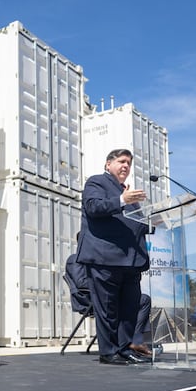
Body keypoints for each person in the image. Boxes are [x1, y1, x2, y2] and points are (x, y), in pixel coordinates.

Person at [75, 149, 150, 365]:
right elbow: (94, 207)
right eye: (121, 161)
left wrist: (153, 222)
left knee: (129, 308)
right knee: (107, 308)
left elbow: (136, 223)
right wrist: (121, 199)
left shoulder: (128, 193)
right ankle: (108, 352)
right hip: (104, 257)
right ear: (108, 164)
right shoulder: (96, 182)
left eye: (129, 163)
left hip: (131, 261)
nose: (126, 166)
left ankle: (125, 348)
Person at [64, 251, 154, 356]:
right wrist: (106, 281)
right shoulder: (74, 259)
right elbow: (81, 283)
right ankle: (133, 341)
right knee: (141, 300)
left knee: (144, 299)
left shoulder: (97, 259)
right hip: (90, 298)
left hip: (106, 294)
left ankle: (134, 340)